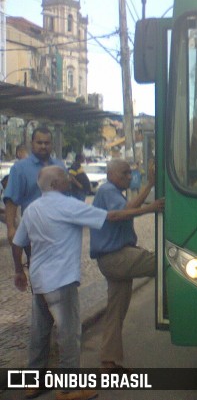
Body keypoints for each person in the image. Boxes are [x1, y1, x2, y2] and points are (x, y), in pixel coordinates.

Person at [12, 166, 106, 400]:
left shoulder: (32, 209)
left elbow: (17, 242)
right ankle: (69, 389)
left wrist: (18, 272)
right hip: (61, 281)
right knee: (69, 333)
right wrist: (146, 209)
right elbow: (108, 217)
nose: (69, 179)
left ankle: (33, 383)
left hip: (40, 280)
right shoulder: (67, 205)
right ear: (55, 184)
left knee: (40, 332)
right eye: (65, 177)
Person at [90, 159, 164, 371]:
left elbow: (130, 207)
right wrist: (151, 207)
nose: (129, 177)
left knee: (116, 312)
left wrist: (149, 186)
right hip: (117, 256)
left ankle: (108, 361)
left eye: (130, 173)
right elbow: (119, 214)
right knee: (167, 263)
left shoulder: (113, 192)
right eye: (125, 173)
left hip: (113, 258)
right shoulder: (106, 190)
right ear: (111, 174)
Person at [4, 127, 66, 261]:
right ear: (32, 143)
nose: (43, 146)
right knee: (39, 270)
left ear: (52, 145)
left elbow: (67, 196)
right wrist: (10, 228)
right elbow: (11, 200)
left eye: (47, 143)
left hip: (59, 229)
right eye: (39, 143)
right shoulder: (20, 168)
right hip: (34, 231)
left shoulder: (60, 167)